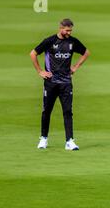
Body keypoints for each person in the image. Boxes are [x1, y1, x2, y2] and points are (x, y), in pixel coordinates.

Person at [30, 18, 90, 150]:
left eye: (70, 30)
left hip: (66, 83)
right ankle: (43, 139)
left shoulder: (72, 42)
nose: (69, 32)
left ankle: (69, 141)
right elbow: (33, 54)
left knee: (68, 111)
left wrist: (75, 66)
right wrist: (40, 71)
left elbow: (86, 53)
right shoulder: (50, 41)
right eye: (67, 30)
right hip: (51, 83)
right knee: (47, 111)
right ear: (60, 28)